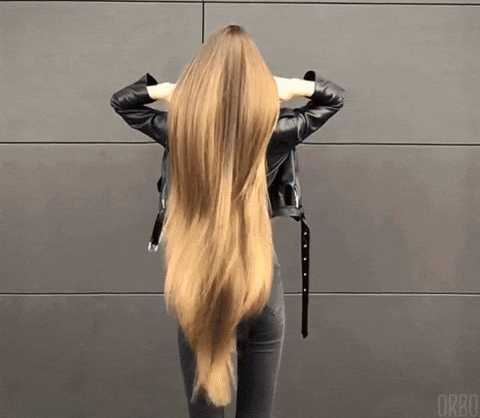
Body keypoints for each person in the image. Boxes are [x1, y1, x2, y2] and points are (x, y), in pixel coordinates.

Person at [110, 24, 345, 418]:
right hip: (258, 279)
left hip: (197, 281)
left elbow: (123, 102)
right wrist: (287, 86)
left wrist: (171, 91)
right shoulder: (276, 130)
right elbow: (333, 97)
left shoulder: (181, 129)